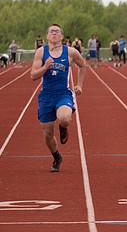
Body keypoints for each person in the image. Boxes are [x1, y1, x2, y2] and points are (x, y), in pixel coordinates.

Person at [30, 23, 86, 172]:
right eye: (51, 31)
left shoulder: (70, 52)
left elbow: (83, 65)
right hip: (46, 96)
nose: (54, 33)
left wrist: (79, 85)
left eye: (57, 31)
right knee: (48, 134)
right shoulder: (41, 52)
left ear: (61, 36)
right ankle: (57, 157)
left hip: (63, 94)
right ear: (47, 36)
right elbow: (33, 76)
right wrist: (45, 67)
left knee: (64, 118)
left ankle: (63, 127)